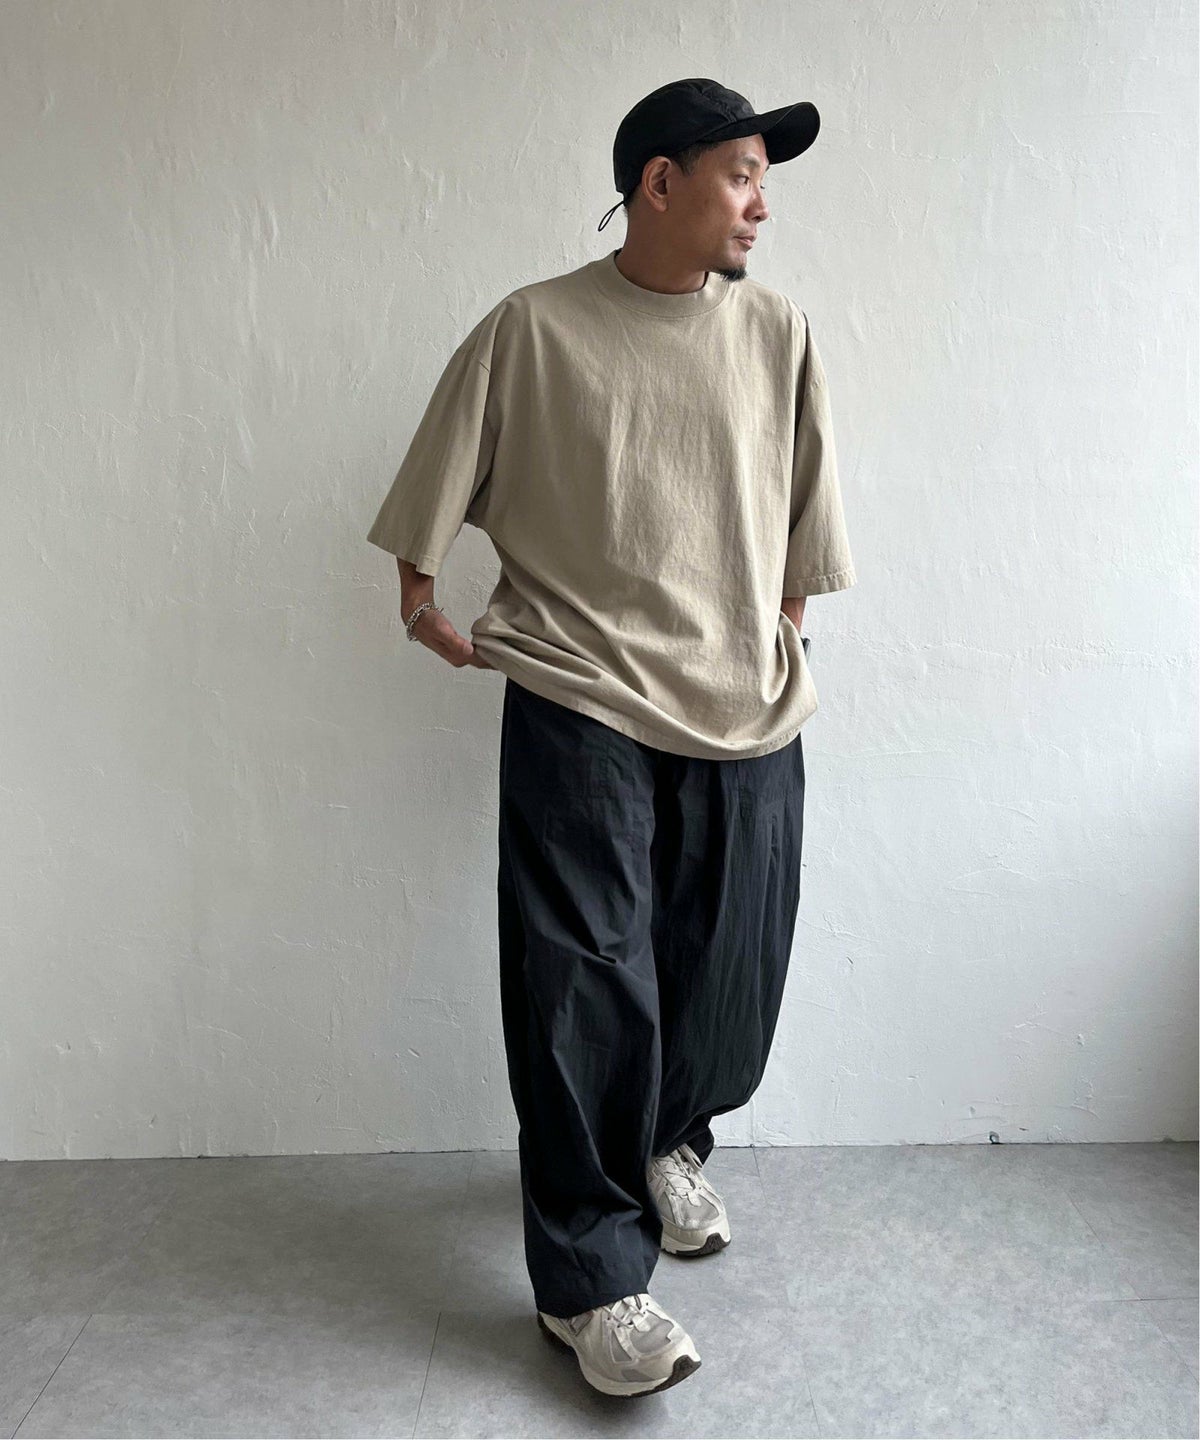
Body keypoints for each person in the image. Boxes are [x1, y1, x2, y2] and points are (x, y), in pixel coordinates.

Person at [366, 77, 857, 1399]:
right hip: (578, 692)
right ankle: (591, 1284)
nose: (761, 204)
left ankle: (665, 1142)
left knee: (728, 966)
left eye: (765, 180)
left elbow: (805, 520)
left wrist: (783, 631)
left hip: (746, 698)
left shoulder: (778, 332)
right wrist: (423, 605)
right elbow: (432, 487)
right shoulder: (534, 329)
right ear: (659, 182)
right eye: (743, 173)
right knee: (582, 980)